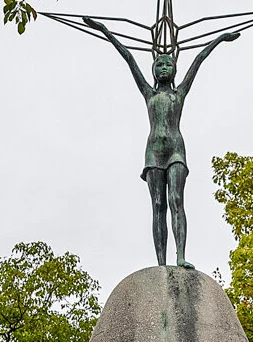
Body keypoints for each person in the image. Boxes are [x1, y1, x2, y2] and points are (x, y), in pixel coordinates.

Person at [83, 18, 239, 267]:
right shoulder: (149, 93)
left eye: (169, 64)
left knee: (176, 200)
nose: (164, 67)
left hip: (176, 150)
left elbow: (199, 58)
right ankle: (161, 263)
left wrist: (220, 39)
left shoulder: (180, 92)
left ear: (175, 70)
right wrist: (104, 30)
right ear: (154, 69)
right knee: (158, 205)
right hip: (154, 153)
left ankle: (180, 256)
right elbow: (128, 57)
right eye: (159, 64)